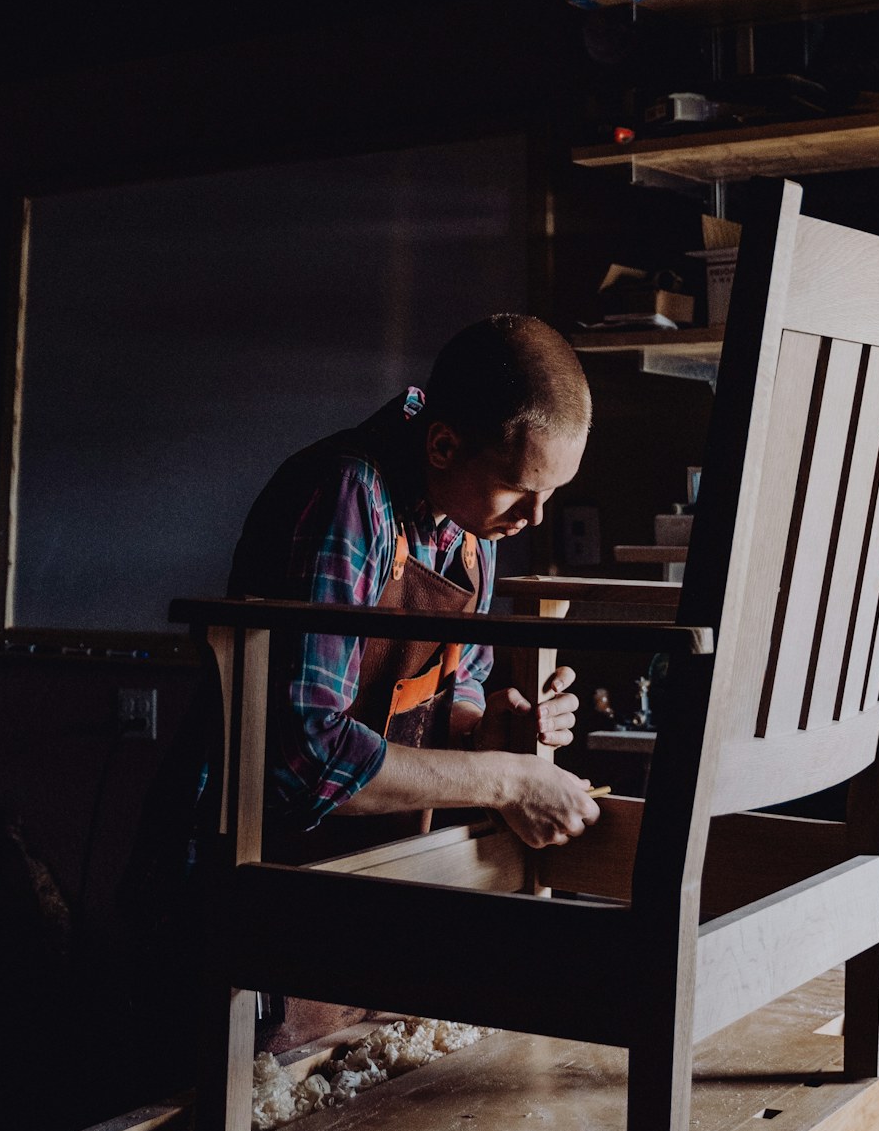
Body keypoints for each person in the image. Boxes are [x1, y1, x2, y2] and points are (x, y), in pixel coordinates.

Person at [228, 311, 602, 859]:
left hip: (380, 860)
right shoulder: (351, 498)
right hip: (264, 865)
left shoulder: (474, 524)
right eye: (519, 489)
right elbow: (305, 757)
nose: (536, 517)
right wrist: (506, 781)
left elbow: (460, 688)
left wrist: (484, 731)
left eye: (551, 492)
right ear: (443, 447)